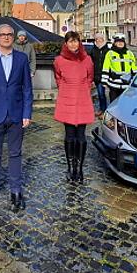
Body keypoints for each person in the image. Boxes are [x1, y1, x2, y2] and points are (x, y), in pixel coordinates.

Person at [0, 24, 33, 211]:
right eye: (3, 35)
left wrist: (27, 113)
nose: (6, 37)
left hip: (17, 115)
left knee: (15, 153)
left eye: (10, 34)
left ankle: (16, 191)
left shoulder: (22, 59)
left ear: (14, 37)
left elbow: (27, 89)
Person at [53, 31, 94, 182]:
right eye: (70, 41)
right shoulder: (59, 60)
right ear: (66, 43)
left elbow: (90, 77)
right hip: (67, 100)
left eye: (76, 41)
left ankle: (80, 168)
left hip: (82, 100)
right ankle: (71, 168)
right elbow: (58, 77)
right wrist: (66, 89)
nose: (73, 44)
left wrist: (83, 90)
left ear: (79, 43)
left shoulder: (87, 59)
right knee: (70, 136)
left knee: (81, 137)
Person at [101, 33, 137, 103]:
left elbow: (134, 68)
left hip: (126, 85)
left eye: (122, 42)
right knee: (114, 104)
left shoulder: (129, 53)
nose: (120, 43)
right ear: (115, 43)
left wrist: (135, 80)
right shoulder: (110, 53)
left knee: (125, 103)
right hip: (114, 84)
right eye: (118, 42)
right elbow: (106, 67)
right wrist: (104, 81)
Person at [89, 33, 110, 118]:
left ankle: (105, 111)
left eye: (100, 39)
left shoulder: (107, 50)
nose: (99, 40)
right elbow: (91, 63)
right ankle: (102, 109)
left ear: (103, 39)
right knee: (100, 94)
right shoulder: (93, 50)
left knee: (105, 94)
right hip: (97, 76)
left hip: (106, 75)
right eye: (97, 39)